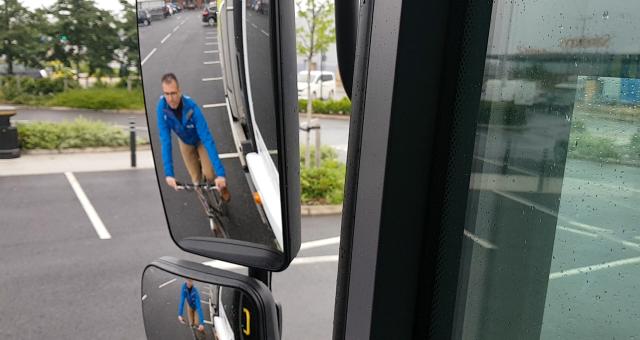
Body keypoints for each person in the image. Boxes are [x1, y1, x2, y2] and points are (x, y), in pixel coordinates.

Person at [156, 73, 230, 201]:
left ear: (179, 91)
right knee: (196, 181)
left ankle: (222, 188)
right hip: (185, 142)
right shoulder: (161, 108)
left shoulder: (192, 107)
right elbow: (165, 140)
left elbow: (207, 139)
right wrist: (169, 174)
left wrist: (221, 174)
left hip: (200, 140)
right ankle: (209, 212)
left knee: (210, 174)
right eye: (166, 94)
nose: (170, 99)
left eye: (173, 93)